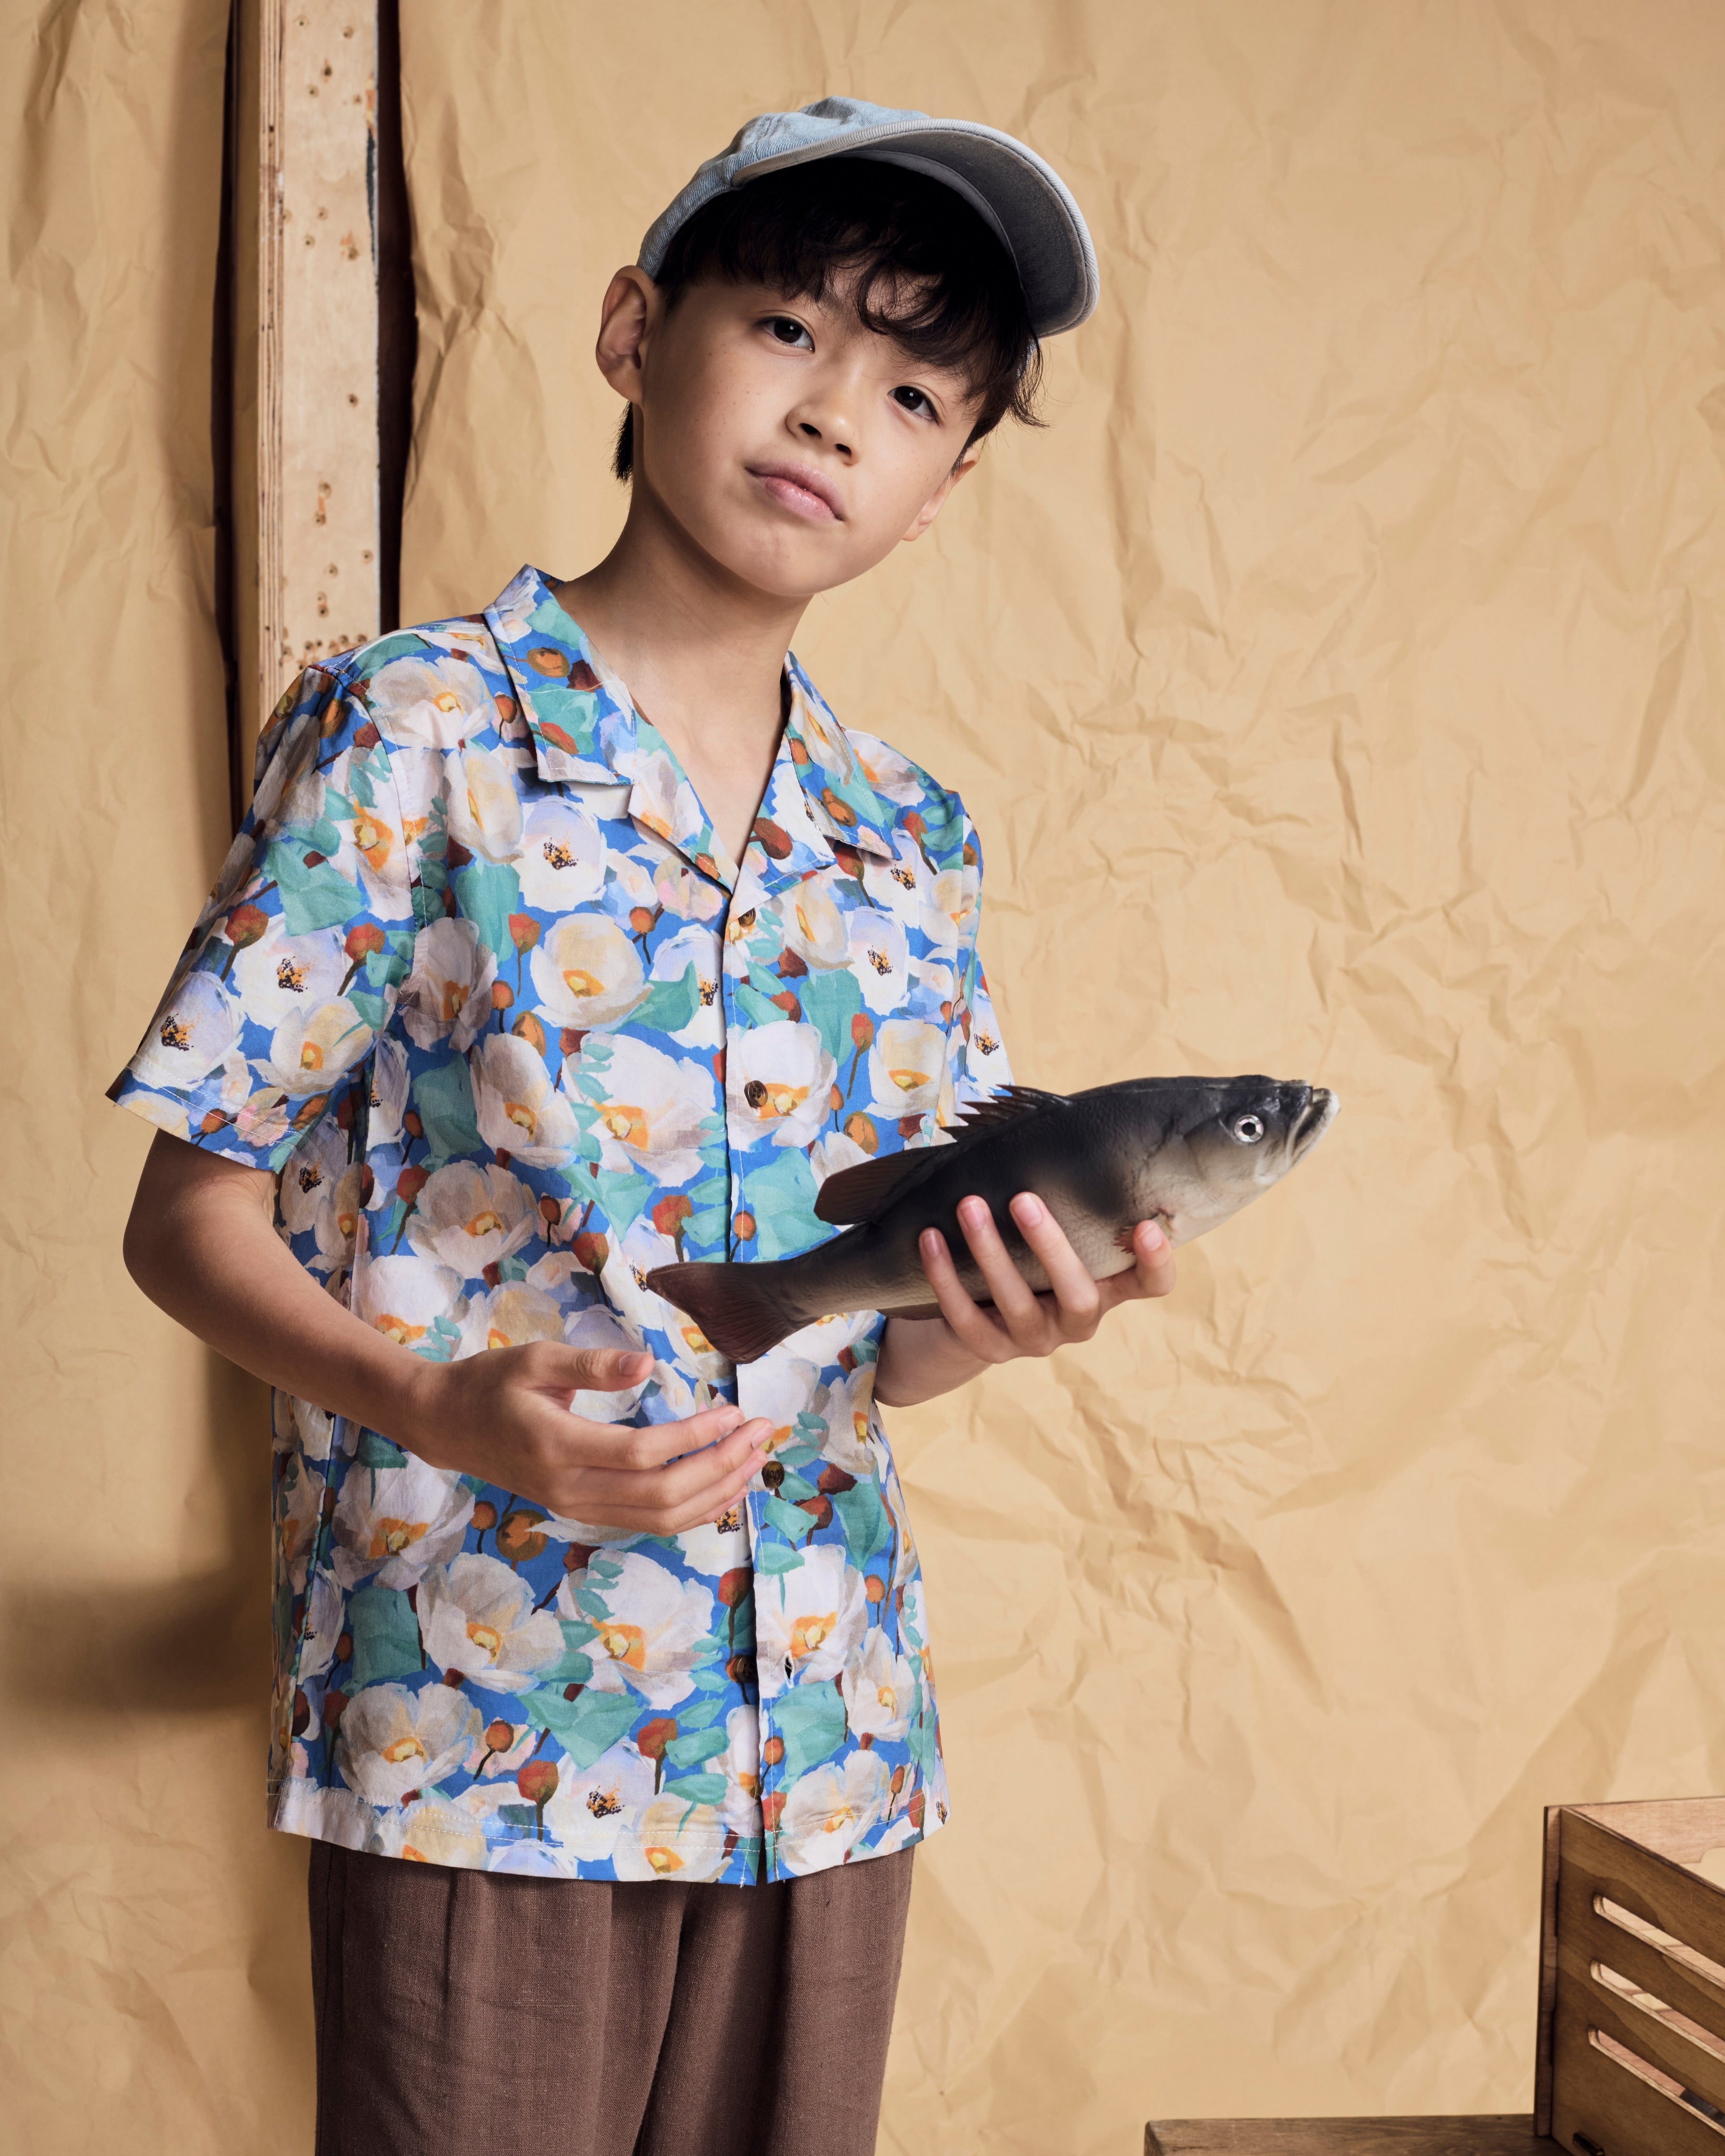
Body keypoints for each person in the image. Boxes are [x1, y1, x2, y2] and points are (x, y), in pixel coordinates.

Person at [113, 96, 1176, 2156]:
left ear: (941, 491)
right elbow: (184, 1219)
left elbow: (870, 1341)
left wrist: (1010, 1317)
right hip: (484, 1721)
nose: (835, 413)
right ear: (631, 332)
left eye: (913, 388)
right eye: (786, 327)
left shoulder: (909, 841)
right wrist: (440, 1410)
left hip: (830, 1739)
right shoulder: (408, 731)